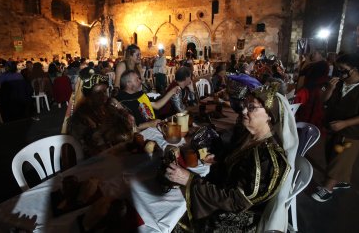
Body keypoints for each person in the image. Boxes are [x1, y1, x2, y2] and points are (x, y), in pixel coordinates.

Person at [166, 81, 298, 232]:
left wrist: (189, 179)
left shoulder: (267, 157)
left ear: (269, 115)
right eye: (245, 105)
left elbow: (237, 202)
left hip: (238, 218)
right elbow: (237, 168)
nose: (243, 112)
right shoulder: (250, 137)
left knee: (173, 223)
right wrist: (219, 161)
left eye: (251, 107)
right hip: (225, 197)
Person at [311, 53, 359, 202]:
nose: (339, 72)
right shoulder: (339, 83)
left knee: (341, 157)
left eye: (342, 69)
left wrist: (345, 123)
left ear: (355, 69)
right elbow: (323, 100)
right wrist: (330, 89)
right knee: (332, 154)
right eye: (338, 68)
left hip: (352, 131)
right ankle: (343, 180)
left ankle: (328, 188)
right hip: (333, 127)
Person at [115, 70, 181, 131]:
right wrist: (149, 124)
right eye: (137, 80)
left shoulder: (139, 94)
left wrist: (172, 92)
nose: (140, 81)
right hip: (140, 136)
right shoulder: (120, 102)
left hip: (154, 128)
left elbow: (156, 105)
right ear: (128, 84)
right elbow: (130, 128)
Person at [294, 48, 329, 135]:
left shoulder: (322, 64)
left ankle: (308, 131)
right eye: (312, 53)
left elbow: (313, 79)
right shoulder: (312, 64)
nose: (312, 55)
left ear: (321, 54)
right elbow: (302, 73)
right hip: (308, 90)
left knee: (311, 111)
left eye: (315, 53)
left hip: (313, 91)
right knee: (305, 111)